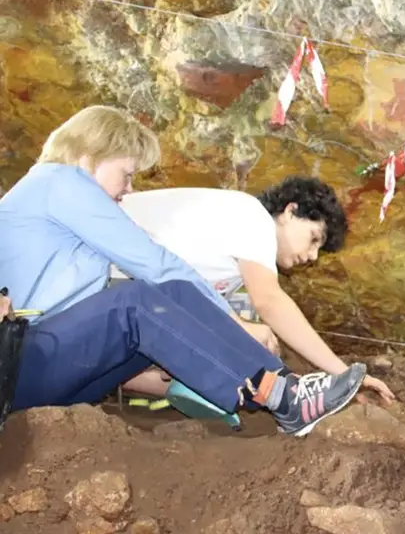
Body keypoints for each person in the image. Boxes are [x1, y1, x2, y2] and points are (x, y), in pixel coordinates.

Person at [0, 105, 367, 436]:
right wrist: (233, 325)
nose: (128, 189)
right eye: (126, 174)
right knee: (137, 300)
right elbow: (158, 266)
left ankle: (286, 392)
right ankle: (285, 397)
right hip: (14, 364)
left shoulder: (60, 207)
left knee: (159, 299)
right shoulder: (58, 180)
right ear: (90, 156)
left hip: (32, 373)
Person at [116, 176, 395, 403]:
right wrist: (344, 374)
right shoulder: (255, 218)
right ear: (290, 211)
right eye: (314, 239)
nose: (312, 256)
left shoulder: (228, 259)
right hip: (104, 277)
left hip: (118, 291)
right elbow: (270, 302)